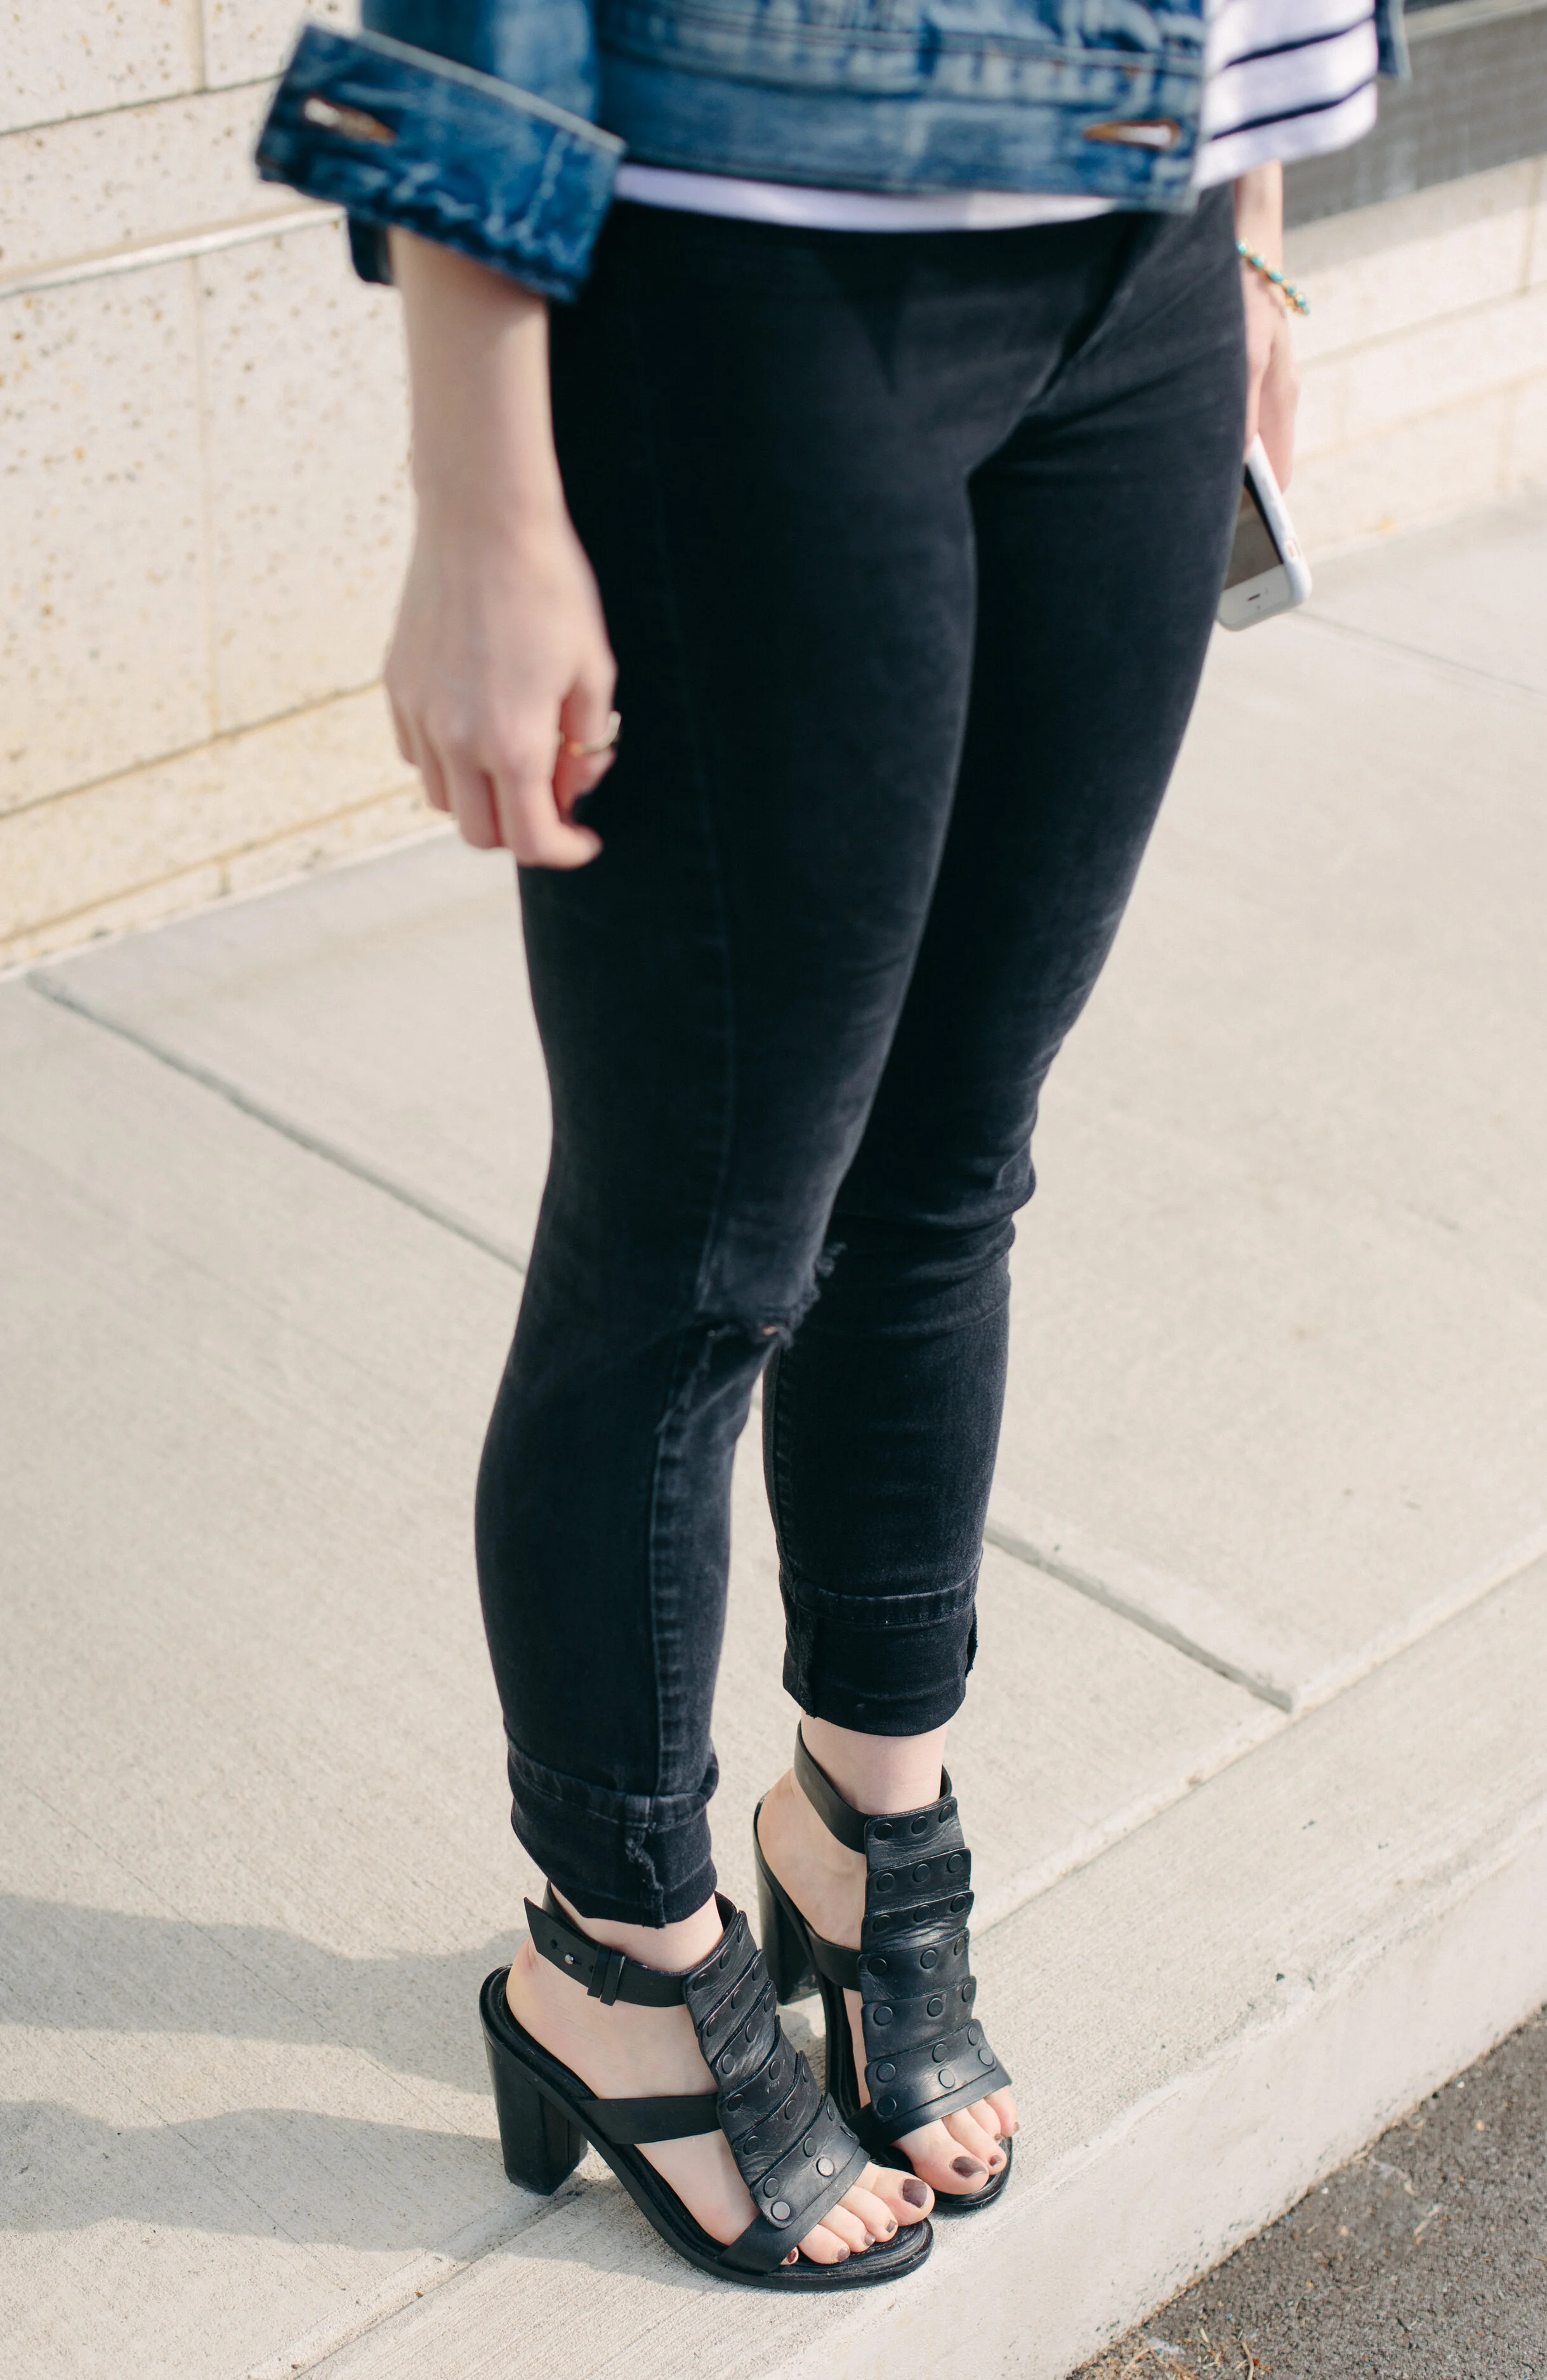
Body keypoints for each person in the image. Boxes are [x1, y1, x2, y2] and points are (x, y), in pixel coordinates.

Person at [257, 0, 1402, 2292]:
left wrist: (1257, 217)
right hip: (755, 273)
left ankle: (863, 1821)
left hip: (1152, 254)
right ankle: (616, 1942)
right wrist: (481, 493)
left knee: (951, 1163)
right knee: (697, 1243)